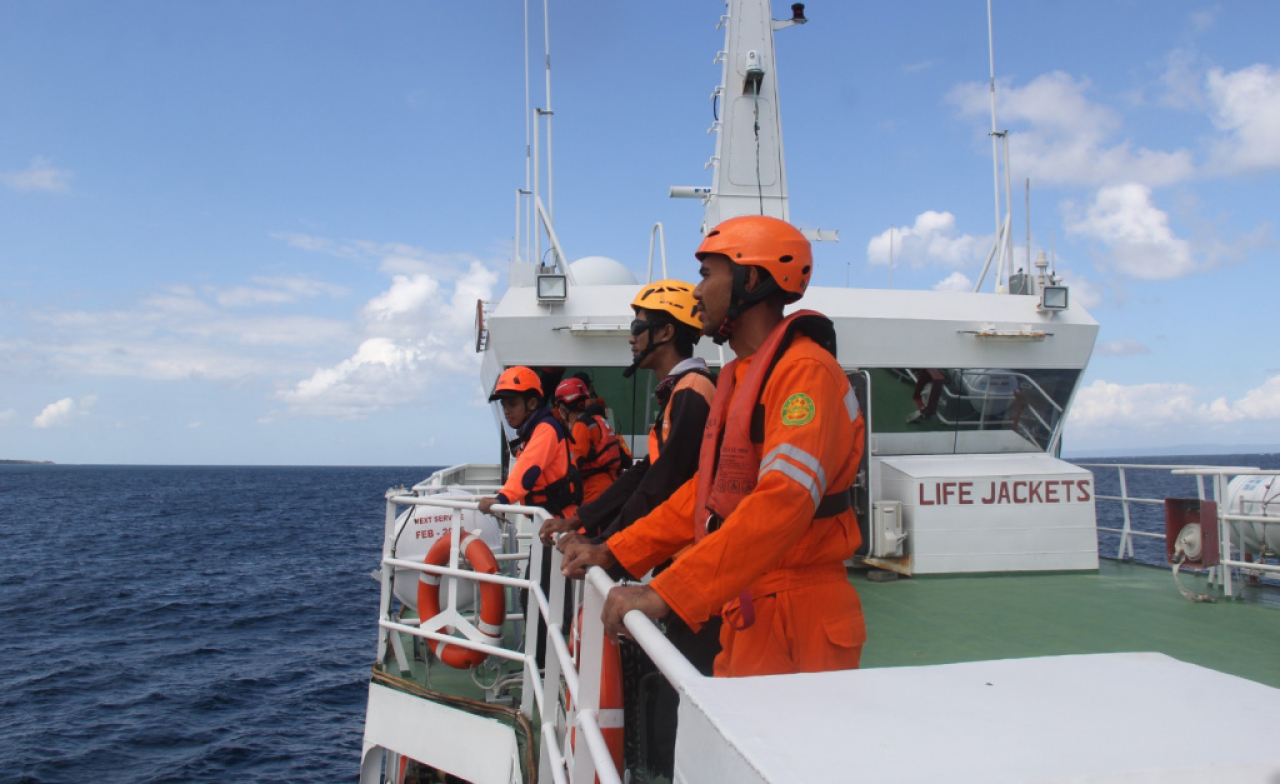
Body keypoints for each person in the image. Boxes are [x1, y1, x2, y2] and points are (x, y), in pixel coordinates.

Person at [561, 215, 867, 679]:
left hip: (798, 617)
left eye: (707, 274)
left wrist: (667, 591)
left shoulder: (805, 373)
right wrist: (615, 551)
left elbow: (784, 501)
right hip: (747, 602)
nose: (697, 292)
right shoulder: (740, 376)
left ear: (752, 278)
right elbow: (708, 495)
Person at [544, 280, 719, 778]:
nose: (631, 337)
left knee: (679, 697)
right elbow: (640, 476)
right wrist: (583, 523)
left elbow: (662, 486)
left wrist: (606, 547)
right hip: (676, 563)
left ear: (665, 332)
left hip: (696, 570)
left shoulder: (693, 395)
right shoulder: (680, 395)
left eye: (637, 327)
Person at [477, 366, 580, 666]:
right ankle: (545, 665)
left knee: (545, 601)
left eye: (512, 403)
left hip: (562, 532)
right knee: (540, 599)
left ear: (532, 403)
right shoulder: (536, 430)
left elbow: (528, 469)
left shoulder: (545, 430)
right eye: (503, 404)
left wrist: (501, 499)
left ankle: (547, 670)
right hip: (551, 531)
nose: (506, 410)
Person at [553, 376, 626, 504]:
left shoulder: (580, 426)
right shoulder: (597, 422)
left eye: (559, 406)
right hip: (611, 485)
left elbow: (574, 465)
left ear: (564, 407)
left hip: (593, 492)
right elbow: (626, 460)